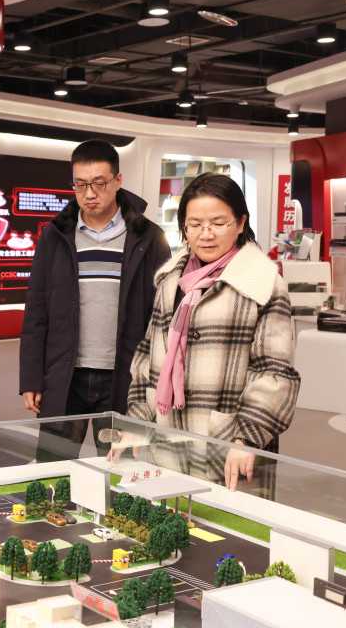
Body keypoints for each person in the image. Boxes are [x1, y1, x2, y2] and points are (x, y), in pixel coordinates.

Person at [126, 173, 299, 489]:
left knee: (225, 520)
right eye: (194, 224)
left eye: (218, 223)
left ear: (240, 223)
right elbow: (147, 354)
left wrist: (246, 436)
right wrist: (137, 419)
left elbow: (275, 372)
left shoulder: (262, 283)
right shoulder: (170, 280)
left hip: (229, 448)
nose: (205, 234)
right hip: (166, 441)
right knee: (168, 513)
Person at [19, 139, 170, 460]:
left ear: (118, 181)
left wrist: (156, 382)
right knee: (53, 466)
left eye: (99, 183)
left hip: (125, 375)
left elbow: (162, 317)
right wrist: (31, 378)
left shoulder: (148, 237)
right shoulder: (55, 236)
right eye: (80, 184)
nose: (89, 193)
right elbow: (36, 310)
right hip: (65, 374)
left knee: (119, 469)